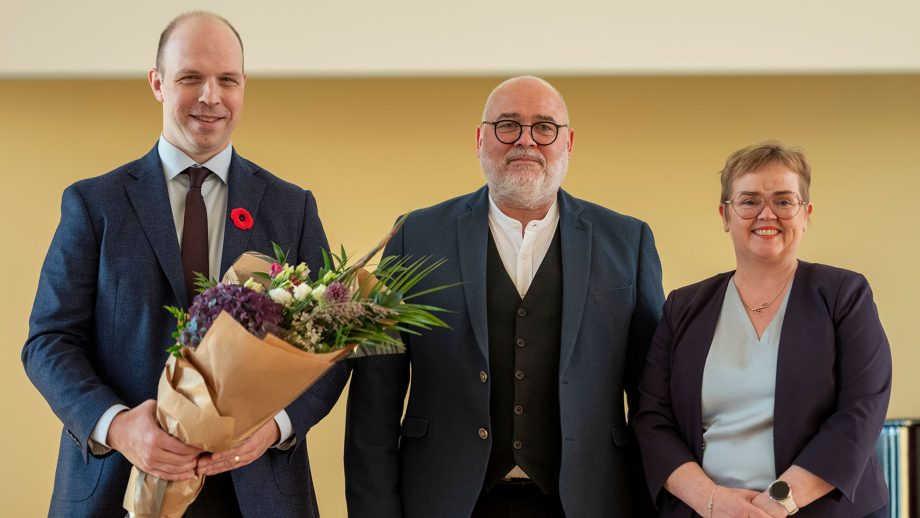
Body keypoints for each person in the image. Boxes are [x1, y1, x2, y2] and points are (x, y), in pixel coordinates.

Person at [22, 11, 347, 517]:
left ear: (244, 87)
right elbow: (48, 341)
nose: (210, 96)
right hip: (118, 487)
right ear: (158, 83)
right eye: (190, 77)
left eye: (227, 80)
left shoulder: (292, 208)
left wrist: (276, 427)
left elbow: (332, 342)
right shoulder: (94, 204)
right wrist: (119, 426)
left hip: (255, 492)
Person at [344, 76, 664, 518]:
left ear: (568, 142)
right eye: (507, 125)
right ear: (480, 138)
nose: (526, 141)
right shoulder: (414, 236)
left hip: (590, 500)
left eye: (544, 128)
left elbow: (653, 400)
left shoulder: (628, 242)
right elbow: (373, 401)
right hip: (445, 501)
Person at [634, 141, 891, 517]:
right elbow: (652, 419)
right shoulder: (683, 307)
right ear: (725, 215)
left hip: (823, 509)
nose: (766, 214)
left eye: (784, 201)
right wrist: (712, 501)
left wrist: (777, 502)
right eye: (749, 201)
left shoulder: (844, 295)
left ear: (806, 214)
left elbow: (862, 410)